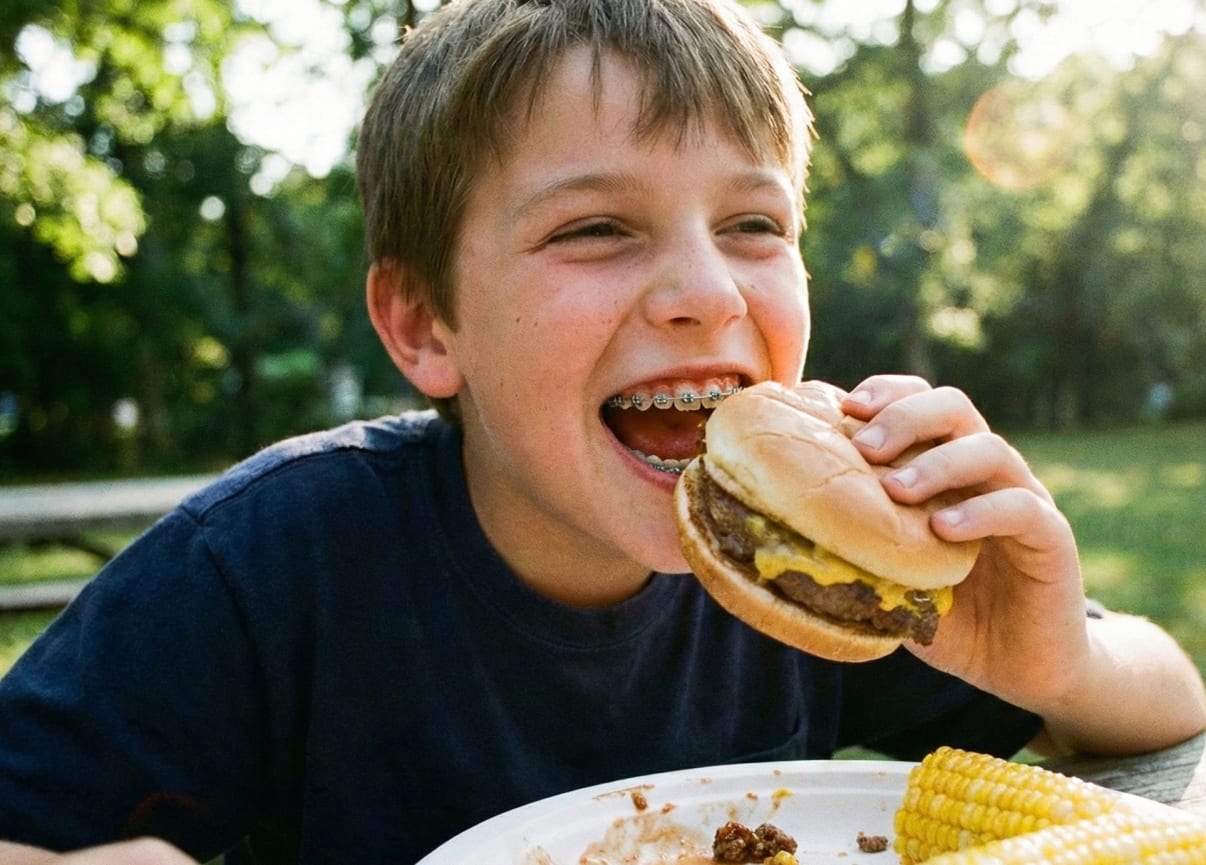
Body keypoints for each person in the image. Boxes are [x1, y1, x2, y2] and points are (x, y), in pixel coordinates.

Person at [2, 0, 1203, 862]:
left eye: (754, 225)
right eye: (595, 229)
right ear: (424, 324)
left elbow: (1171, 708)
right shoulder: (267, 564)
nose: (709, 293)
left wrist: (1058, 663)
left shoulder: (809, 575)